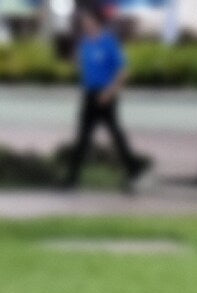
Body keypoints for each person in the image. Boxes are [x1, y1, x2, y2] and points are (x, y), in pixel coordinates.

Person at [63, 3, 146, 190]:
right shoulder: (85, 43)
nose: (85, 24)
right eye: (83, 22)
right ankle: (71, 178)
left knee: (116, 135)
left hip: (106, 96)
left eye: (88, 21)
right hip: (90, 94)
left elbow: (123, 72)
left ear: (97, 21)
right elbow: (81, 65)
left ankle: (134, 171)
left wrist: (109, 92)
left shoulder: (109, 42)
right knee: (83, 137)